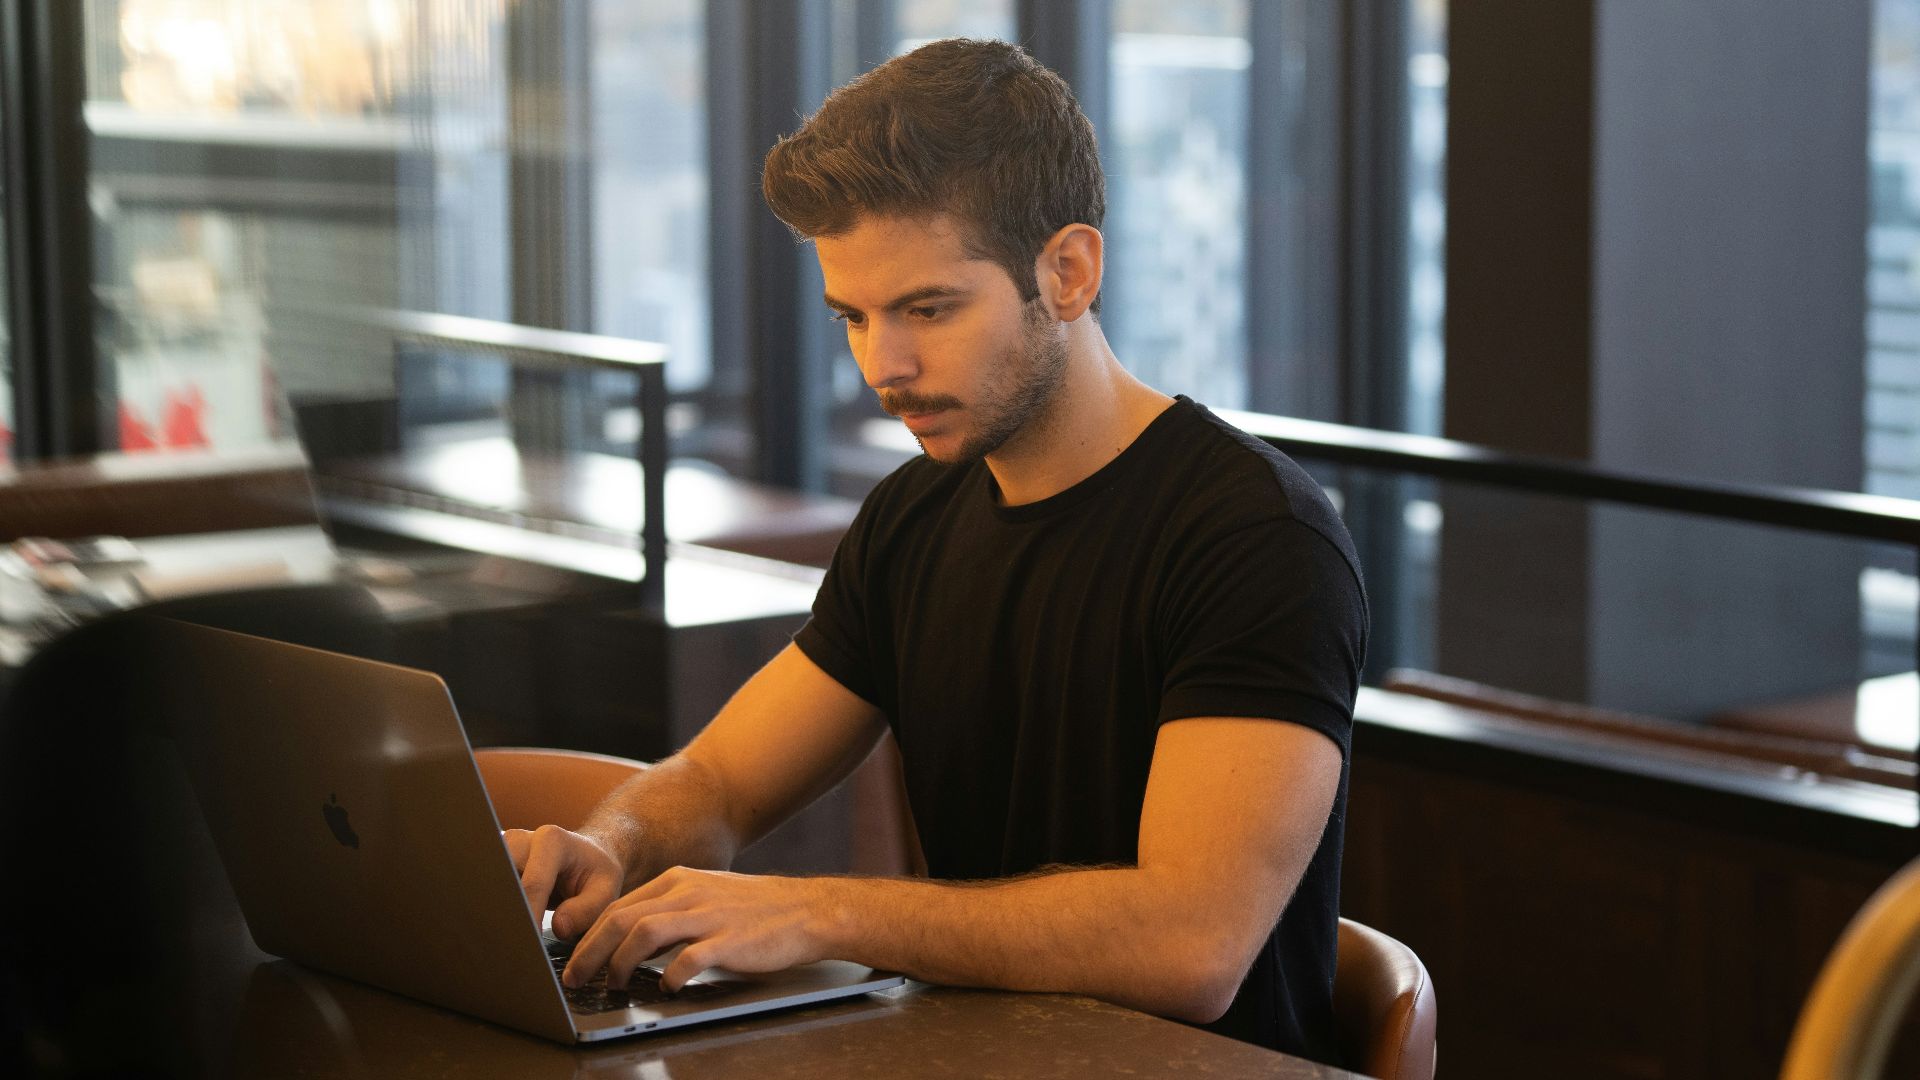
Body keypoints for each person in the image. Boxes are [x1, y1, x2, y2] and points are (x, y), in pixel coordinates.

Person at [508, 38, 1367, 1065]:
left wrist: (822, 913)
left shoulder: (1258, 535)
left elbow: (1191, 944)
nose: (885, 365)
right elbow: (723, 784)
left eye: (927, 308)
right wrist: (610, 845)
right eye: (854, 318)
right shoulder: (912, 518)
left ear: (1070, 271)